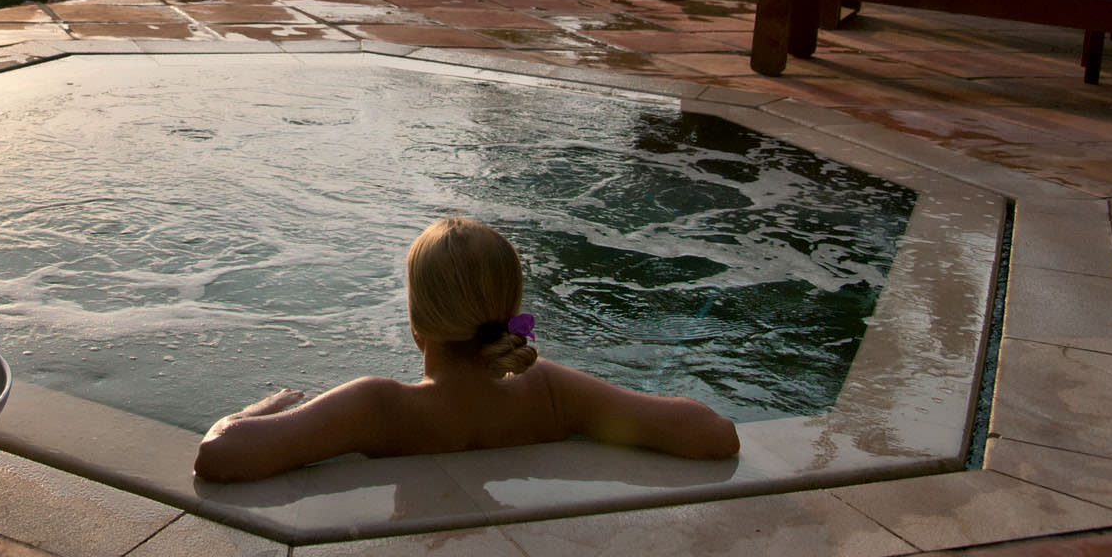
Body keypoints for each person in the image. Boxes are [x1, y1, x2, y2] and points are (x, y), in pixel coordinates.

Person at [194, 216, 740, 483]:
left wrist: (253, 412)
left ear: (417, 324)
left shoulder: (380, 409)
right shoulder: (550, 391)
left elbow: (219, 457)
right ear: (510, 312)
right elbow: (714, 435)